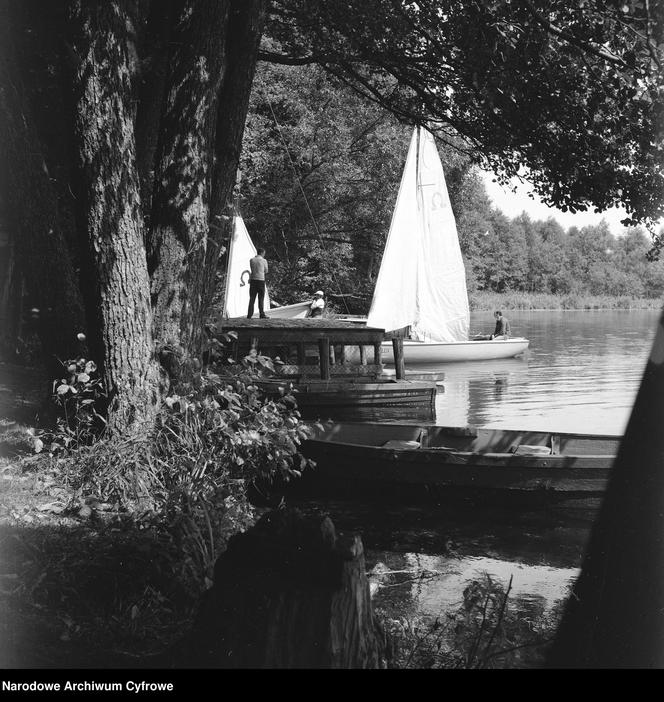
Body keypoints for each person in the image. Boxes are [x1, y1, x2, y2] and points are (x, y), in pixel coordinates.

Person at [247, 248, 268, 319]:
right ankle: (261, 314)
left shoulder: (252, 260)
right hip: (261, 280)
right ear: (262, 253)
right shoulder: (264, 260)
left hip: (253, 280)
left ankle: (249, 315)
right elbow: (266, 270)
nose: (264, 255)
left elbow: (252, 269)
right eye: (264, 253)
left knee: (252, 298)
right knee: (261, 298)